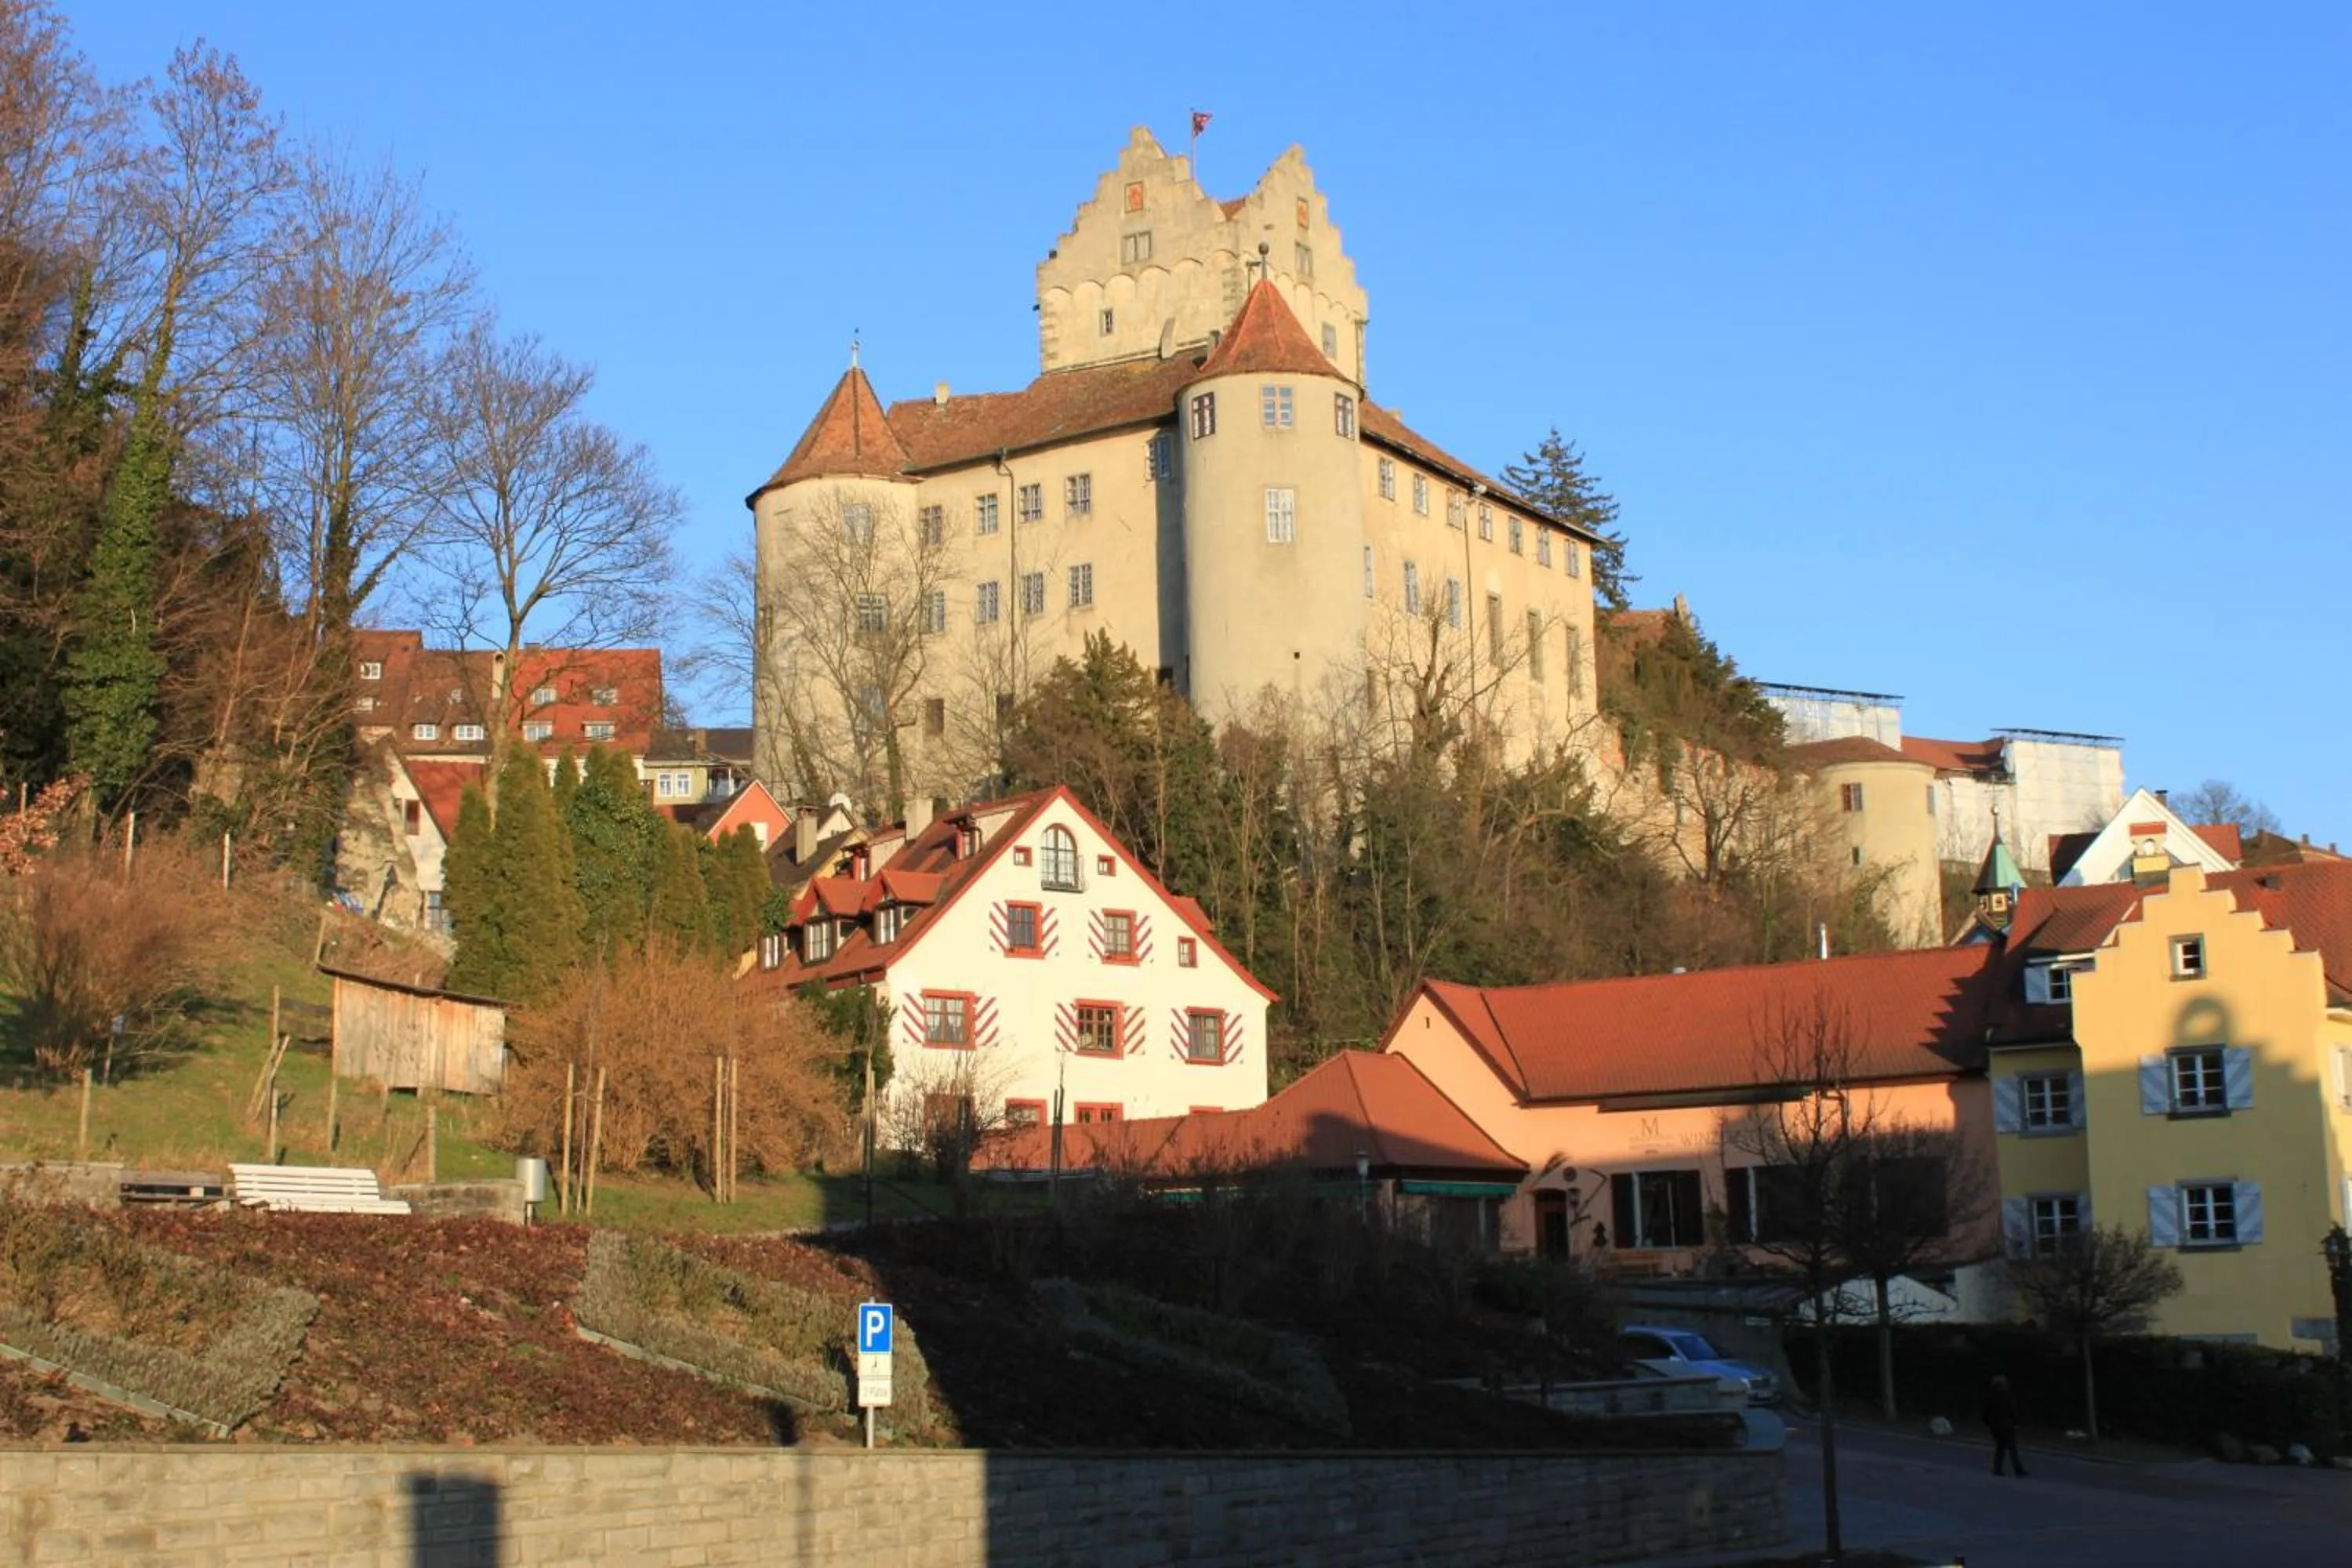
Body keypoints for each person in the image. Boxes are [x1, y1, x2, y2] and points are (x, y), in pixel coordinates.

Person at [1984, 1372, 2027, 1477]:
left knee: (2000, 1448)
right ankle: (2018, 1470)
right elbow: (2012, 1411)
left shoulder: (1990, 1397)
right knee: (2012, 1449)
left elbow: (1985, 1413)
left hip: (1995, 1426)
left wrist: (1989, 1424)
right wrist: (2017, 1422)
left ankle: (1997, 1469)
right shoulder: (2007, 1396)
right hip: (2007, 1426)